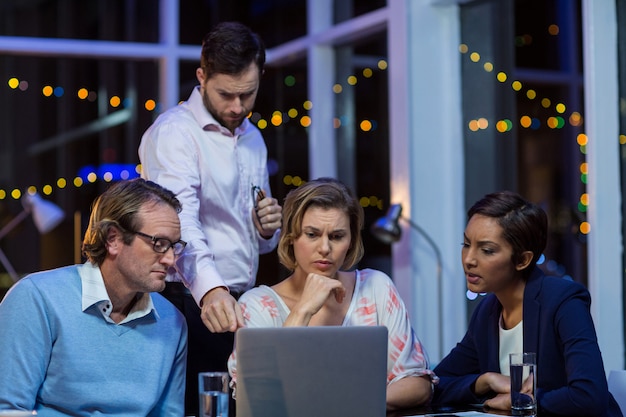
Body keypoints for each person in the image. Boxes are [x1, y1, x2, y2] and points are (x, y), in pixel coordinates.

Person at [138, 21, 282, 414]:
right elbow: (179, 223)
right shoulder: (174, 133)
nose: (237, 107)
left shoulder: (253, 137)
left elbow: (258, 239)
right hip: (184, 299)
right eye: (226, 95)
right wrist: (211, 290)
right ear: (201, 76)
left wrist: (265, 229)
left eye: (247, 94)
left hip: (240, 300)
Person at [227, 177, 437, 411]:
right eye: (312, 234)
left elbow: (419, 384)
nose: (325, 248)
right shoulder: (257, 305)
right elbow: (259, 397)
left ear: (351, 240)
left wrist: (346, 405)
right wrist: (303, 309)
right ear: (291, 238)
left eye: (337, 236)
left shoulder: (376, 288)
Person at [0, 178, 188, 416]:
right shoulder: (36, 298)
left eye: (175, 246)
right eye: (159, 243)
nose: (170, 259)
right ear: (113, 239)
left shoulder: (173, 322)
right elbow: (8, 410)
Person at [432, 190, 622, 416]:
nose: (469, 259)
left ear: (523, 260)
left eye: (487, 250)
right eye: (465, 244)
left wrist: (523, 400)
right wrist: (485, 381)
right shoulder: (487, 312)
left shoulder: (563, 301)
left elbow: (588, 397)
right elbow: (437, 384)